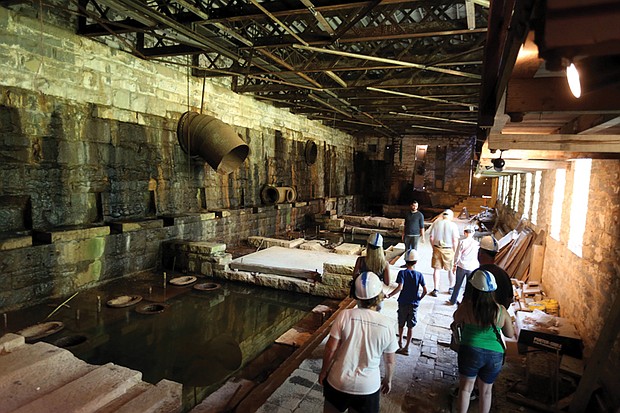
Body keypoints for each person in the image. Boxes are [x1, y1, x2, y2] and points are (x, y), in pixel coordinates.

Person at [319, 271, 398, 413]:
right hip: (368, 388)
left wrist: (324, 371)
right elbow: (390, 361)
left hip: (338, 381)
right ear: (379, 295)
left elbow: (330, 348)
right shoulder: (387, 324)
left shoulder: (344, 315)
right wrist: (388, 379)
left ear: (356, 295)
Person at [451, 269, 515, 413]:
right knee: (486, 392)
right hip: (495, 355)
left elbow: (456, 319)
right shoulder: (501, 311)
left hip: (470, 351)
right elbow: (509, 334)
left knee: (465, 389)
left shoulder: (466, 307)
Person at [386, 249, 427, 356]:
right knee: (410, 326)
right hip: (414, 304)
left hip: (403, 302)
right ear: (416, 262)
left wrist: (390, 295)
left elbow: (400, 287)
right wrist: (418, 299)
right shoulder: (419, 275)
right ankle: (407, 347)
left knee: (401, 323)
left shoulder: (402, 273)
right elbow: (425, 290)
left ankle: (400, 342)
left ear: (405, 261)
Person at [428, 209, 459, 297]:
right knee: (450, 270)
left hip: (437, 248)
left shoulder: (436, 223)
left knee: (436, 269)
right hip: (449, 249)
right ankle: (451, 288)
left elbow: (431, 237)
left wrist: (433, 247)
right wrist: (454, 251)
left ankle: (436, 289)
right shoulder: (453, 225)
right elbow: (455, 240)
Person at [477, 235, 514, 309]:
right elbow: (509, 298)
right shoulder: (504, 275)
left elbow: (468, 302)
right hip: (498, 318)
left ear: (480, 254)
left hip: (479, 319)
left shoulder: (476, 276)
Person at [447, 225, 480, 305]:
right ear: (473, 233)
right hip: (472, 267)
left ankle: (453, 300)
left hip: (462, 266)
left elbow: (457, 255)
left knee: (458, 284)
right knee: (469, 286)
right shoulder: (477, 244)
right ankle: (466, 302)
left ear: (464, 232)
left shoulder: (462, 242)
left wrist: (455, 264)